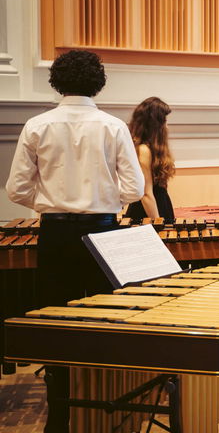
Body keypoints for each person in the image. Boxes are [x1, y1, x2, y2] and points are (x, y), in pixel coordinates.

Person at [5, 49, 144, 432]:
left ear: (57, 82)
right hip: (102, 230)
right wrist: (102, 201)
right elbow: (134, 188)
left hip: (55, 234)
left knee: (56, 320)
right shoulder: (113, 126)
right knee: (103, 319)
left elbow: (16, 189)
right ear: (98, 82)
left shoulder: (37, 125)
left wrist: (50, 204)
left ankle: (60, 414)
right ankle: (101, 409)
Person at [124, 97, 176, 222]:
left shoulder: (152, 149)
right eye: (165, 121)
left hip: (160, 206)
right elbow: (146, 194)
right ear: (155, 125)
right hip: (147, 213)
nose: (167, 126)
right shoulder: (143, 150)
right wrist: (157, 223)